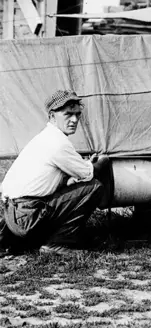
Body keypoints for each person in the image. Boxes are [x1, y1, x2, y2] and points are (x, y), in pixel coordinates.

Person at [0, 90, 111, 255]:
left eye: (77, 115)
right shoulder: (58, 143)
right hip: (28, 215)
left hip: (12, 215)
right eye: (68, 114)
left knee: (68, 187)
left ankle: (14, 239)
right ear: (52, 116)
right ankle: (58, 243)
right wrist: (103, 160)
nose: (74, 120)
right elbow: (89, 173)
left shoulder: (44, 138)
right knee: (93, 187)